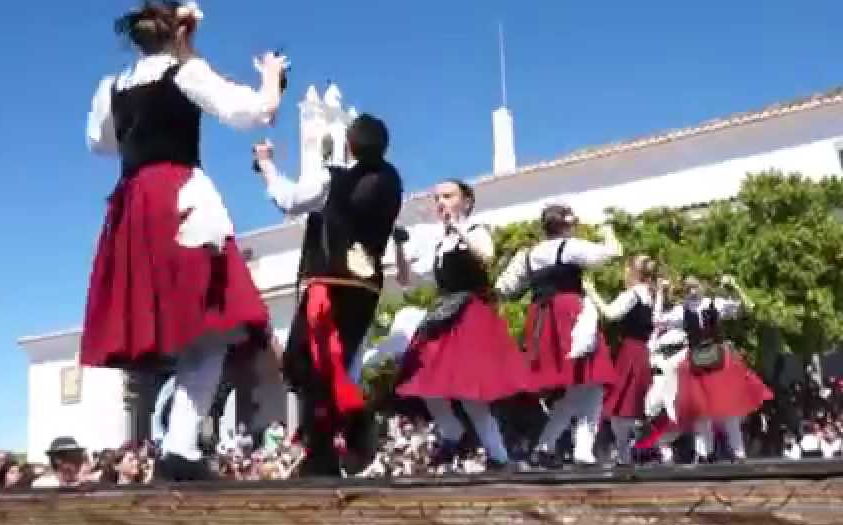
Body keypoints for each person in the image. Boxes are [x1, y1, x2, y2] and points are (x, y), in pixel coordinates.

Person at [82, 2, 287, 482]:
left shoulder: (110, 88)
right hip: (181, 200)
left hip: (135, 205)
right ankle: (179, 446)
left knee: (187, 328)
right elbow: (255, 111)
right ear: (179, 29)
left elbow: (99, 142)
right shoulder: (187, 73)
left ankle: (179, 445)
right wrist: (273, 75)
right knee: (213, 324)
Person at [254, 114, 403, 476]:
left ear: (350, 144)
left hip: (330, 285)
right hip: (365, 286)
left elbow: (288, 200)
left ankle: (338, 438)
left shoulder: (333, 179)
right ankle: (334, 442)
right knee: (337, 367)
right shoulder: (392, 182)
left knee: (309, 366)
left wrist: (267, 165)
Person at [393, 180, 529, 470]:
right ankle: (453, 431)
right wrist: (400, 246)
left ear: (465, 201)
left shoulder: (476, 230)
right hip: (445, 313)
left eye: (447, 196)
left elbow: (486, 255)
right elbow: (407, 280)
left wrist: (458, 227)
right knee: (422, 377)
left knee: (471, 394)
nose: (440, 202)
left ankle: (499, 456)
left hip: (470, 314)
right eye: (437, 197)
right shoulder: (440, 243)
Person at [495, 204, 621, 468]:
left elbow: (504, 287)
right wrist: (608, 231)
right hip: (571, 315)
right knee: (591, 382)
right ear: (566, 224)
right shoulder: (571, 246)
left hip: (542, 318)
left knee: (581, 387)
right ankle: (576, 449)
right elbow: (611, 253)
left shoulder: (527, 254)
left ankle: (551, 445)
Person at [657, 276, 772, 461]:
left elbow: (748, 307)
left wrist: (734, 285)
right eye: (688, 287)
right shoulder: (682, 310)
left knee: (728, 408)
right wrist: (661, 294)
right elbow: (658, 320)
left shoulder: (715, 304)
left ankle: (738, 452)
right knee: (701, 412)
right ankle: (705, 453)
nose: (692, 291)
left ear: (703, 286)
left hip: (719, 361)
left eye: (695, 286)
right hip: (697, 363)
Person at [584, 256, 661, 465]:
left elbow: (610, 314)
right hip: (642, 351)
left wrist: (591, 292)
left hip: (630, 351)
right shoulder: (652, 294)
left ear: (634, 272)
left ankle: (628, 449)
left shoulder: (634, 294)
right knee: (626, 406)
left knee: (621, 406)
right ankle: (628, 450)